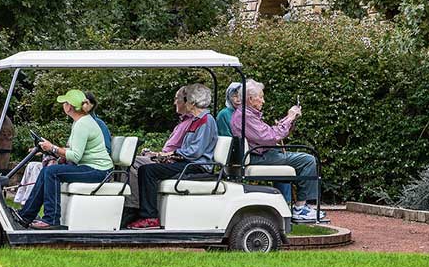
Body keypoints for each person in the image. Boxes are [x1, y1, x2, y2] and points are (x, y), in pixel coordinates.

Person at [16, 89, 114, 229]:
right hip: (91, 167)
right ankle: (25, 216)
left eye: (64, 102)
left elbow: (75, 156)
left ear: (69, 107)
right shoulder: (80, 122)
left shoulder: (82, 124)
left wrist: (52, 148)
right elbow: (74, 151)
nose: (63, 105)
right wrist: (50, 147)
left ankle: (51, 219)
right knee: (47, 171)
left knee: (52, 172)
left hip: (99, 170)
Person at [230, 79, 324, 222]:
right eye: (260, 97)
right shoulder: (244, 116)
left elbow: (269, 133)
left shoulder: (246, 115)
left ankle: (301, 207)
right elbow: (271, 136)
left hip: (262, 154)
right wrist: (290, 117)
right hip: (259, 157)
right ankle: (300, 208)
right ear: (250, 99)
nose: (263, 101)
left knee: (302, 159)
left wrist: (289, 119)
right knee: (308, 160)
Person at [127, 84, 219, 230]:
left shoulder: (206, 120)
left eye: (186, 99)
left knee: (148, 170)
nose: (184, 102)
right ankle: (144, 213)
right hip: (188, 162)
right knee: (148, 168)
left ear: (192, 102)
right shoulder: (196, 120)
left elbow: (195, 152)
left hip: (197, 166)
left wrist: (174, 154)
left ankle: (149, 217)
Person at [122, 86, 197, 215]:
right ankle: (130, 203)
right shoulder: (183, 121)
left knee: (131, 163)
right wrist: (155, 153)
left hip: (173, 161)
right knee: (125, 162)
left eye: (176, 99)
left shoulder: (195, 122)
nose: (174, 103)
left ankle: (134, 206)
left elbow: (187, 151)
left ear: (187, 101)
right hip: (166, 158)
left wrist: (160, 155)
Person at [217, 81, 292, 202]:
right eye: (234, 96)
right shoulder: (229, 114)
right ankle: (292, 203)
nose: (237, 99)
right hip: (241, 154)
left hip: (256, 149)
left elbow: (260, 134)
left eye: (239, 96)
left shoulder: (248, 112)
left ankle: (286, 200)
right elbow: (231, 138)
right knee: (290, 160)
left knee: (280, 158)